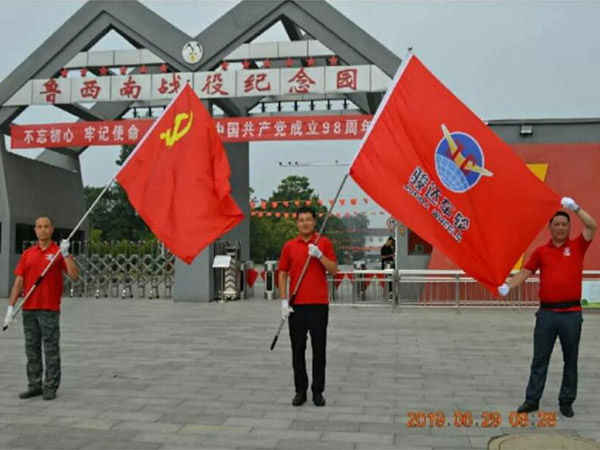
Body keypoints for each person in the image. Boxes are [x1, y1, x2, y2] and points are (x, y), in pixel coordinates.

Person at [498, 197, 596, 418]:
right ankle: (532, 400)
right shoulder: (541, 252)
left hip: (571, 314)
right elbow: (526, 272)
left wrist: (576, 208)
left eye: (564, 224)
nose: (560, 228)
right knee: (540, 358)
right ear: (550, 228)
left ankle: (566, 401)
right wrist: (508, 286)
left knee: (570, 359)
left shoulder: (578, 246)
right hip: (547, 314)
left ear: (569, 227)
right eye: (557, 224)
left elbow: (592, 226)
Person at [3, 216, 79, 401]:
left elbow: (74, 276)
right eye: (39, 227)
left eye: (46, 226)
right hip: (29, 308)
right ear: (35, 230)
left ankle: (50, 386)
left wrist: (66, 254)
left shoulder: (58, 252)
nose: (43, 230)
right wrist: (10, 308)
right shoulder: (28, 253)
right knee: (32, 349)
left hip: (49, 309)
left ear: (52, 229)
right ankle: (34, 385)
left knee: (51, 349)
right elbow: (19, 281)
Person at [278, 207, 337, 407]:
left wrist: (319, 255)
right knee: (298, 349)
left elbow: (334, 270)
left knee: (319, 350)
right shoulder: (289, 246)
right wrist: (284, 301)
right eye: (301, 220)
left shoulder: (324, 243)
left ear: (314, 222)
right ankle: (300, 390)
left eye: (308, 219)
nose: (305, 223)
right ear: (297, 223)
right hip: (296, 306)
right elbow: (282, 273)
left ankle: (318, 390)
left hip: (318, 305)